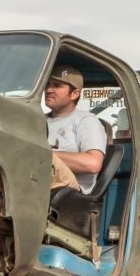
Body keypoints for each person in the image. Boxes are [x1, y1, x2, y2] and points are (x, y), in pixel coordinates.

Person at [44, 65, 107, 194]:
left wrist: (44, 155)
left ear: (74, 94)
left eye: (56, 85)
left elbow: (93, 163)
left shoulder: (86, 120)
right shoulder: (38, 120)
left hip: (68, 191)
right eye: (47, 84)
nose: (49, 89)